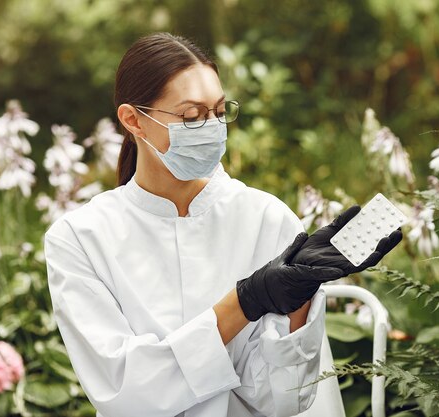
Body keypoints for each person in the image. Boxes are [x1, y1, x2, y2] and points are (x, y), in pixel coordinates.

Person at [43, 32, 402, 417]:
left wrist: (299, 300)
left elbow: (287, 400)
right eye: (192, 116)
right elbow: (128, 394)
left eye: (218, 111)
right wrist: (245, 301)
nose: (212, 127)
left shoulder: (267, 218)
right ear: (134, 121)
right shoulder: (79, 239)